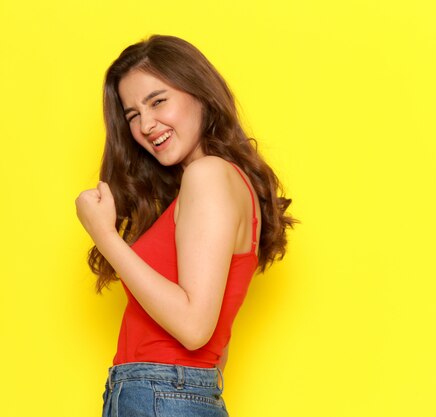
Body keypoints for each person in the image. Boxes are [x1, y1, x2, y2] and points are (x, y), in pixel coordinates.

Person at [75, 34, 296, 417]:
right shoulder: (225, 182)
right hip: (170, 393)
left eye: (158, 101)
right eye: (132, 115)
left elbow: (195, 327)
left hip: (160, 393)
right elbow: (216, 345)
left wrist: (105, 236)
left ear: (200, 93)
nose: (146, 124)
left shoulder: (208, 175)